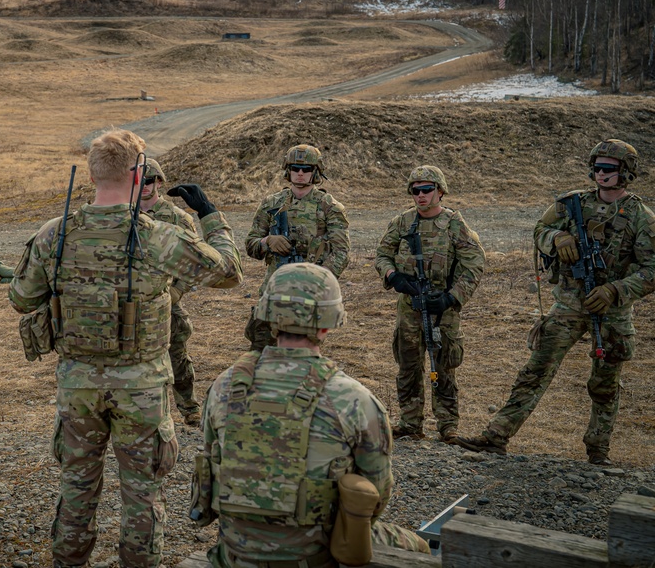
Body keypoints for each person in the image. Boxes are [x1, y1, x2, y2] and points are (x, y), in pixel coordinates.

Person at [8, 129, 243, 568]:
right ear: (138, 175)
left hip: (78, 385)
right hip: (142, 387)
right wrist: (211, 215)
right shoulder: (157, 237)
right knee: (142, 492)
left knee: (76, 487)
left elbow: (21, 299)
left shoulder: (54, 234)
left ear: (92, 176)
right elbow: (229, 271)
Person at [190, 263, 429, 568]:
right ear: (328, 324)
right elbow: (376, 497)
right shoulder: (353, 399)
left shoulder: (224, 386)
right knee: (420, 548)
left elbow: (211, 460)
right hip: (316, 560)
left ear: (268, 317)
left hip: (234, 557)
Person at [456, 140, 655, 465]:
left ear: (626, 172)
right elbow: (541, 229)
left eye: (609, 168)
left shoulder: (641, 217)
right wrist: (557, 238)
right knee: (536, 370)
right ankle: (496, 436)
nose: (601, 174)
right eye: (597, 167)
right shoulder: (572, 205)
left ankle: (598, 450)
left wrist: (615, 291)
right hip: (569, 305)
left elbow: (652, 269)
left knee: (605, 384)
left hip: (612, 311)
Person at [374, 166, 485, 443]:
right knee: (408, 365)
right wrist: (394, 276)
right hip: (410, 305)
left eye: (427, 189)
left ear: (440, 191)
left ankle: (448, 426)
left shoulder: (454, 224)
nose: (421, 195)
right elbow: (382, 254)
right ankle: (410, 423)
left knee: (444, 366)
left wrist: (452, 297)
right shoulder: (402, 222)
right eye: (415, 191)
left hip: (443, 308)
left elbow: (474, 264)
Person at [244, 144, 349, 351]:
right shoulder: (272, 204)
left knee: (301, 354)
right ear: (288, 170)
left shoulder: (329, 206)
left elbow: (341, 253)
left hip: (308, 294)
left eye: (306, 169)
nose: (300, 173)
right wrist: (267, 242)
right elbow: (251, 244)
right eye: (295, 168)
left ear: (315, 172)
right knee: (261, 352)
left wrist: (318, 282)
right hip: (273, 292)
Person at [140, 159, 202, 426]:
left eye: (148, 181)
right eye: (138, 181)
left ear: (159, 182)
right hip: (134, 299)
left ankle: (188, 406)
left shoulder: (178, 218)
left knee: (176, 353)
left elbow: (195, 261)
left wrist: (177, 291)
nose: (144, 186)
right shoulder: (123, 215)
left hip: (166, 298)